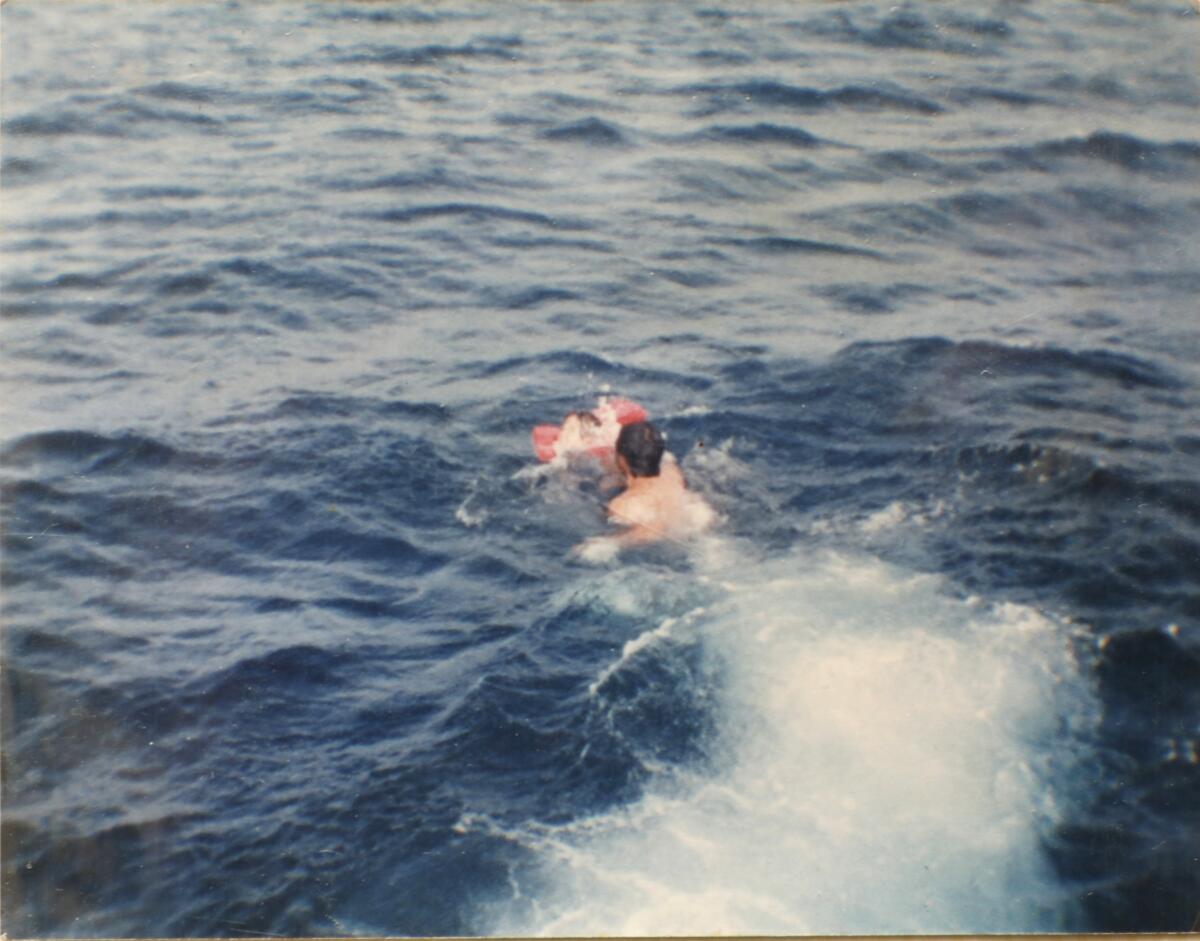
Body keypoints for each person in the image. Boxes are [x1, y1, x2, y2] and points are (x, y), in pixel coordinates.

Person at [576, 421, 713, 560]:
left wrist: (612, 542)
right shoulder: (671, 471)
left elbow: (651, 532)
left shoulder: (623, 505)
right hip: (695, 522)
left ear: (621, 458)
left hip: (663, 544)